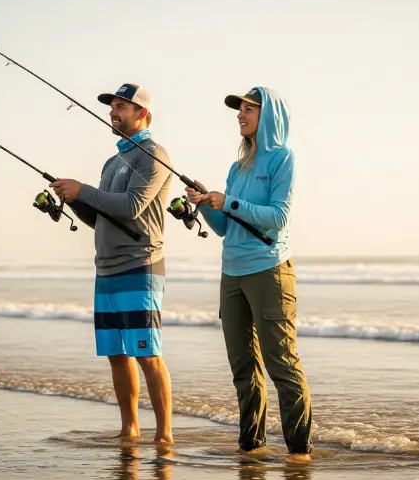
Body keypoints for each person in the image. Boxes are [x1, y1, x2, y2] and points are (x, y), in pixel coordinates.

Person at [186, 87, 313, 461]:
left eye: (248, 109)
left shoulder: (283, 158)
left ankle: (299, 450)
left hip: (270, 270)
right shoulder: (236, 167)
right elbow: (226, 227)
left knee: (281, 362)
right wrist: (206, 203)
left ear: (269, 115)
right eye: (239, 110)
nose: (240, 116)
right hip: (232, 273)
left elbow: (278, 219)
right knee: (242, 365)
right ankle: (250, 445)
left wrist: (229, 202)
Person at [50, 83, 174, 444]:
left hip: (141, 266)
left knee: (147, 353)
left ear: (143, 114)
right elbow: (106, 217)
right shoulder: (113, 161)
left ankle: (164, 434)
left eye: (122, 107)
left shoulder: (153, 154)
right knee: (116, 355)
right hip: (106, 270)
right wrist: (73, 200)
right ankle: (129, 429)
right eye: (113, 107)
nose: (113, 112)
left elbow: (131, 207)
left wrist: (84, 189)